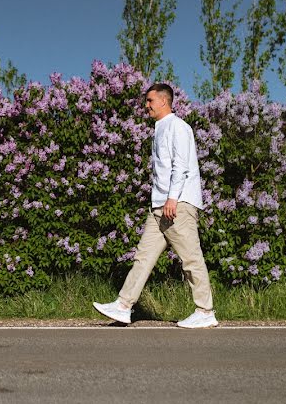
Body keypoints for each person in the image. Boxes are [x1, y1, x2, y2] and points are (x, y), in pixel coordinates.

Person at [93, 83, 217, 328]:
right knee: (144, 256)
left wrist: (172, 198)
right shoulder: (159, 129)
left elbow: (181, 166)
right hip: (159, 206)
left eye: (150, 101)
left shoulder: (178, 127)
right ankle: (123, 306)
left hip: (177, 204)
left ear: (163, 101)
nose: (146, 105)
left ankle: (205, 311)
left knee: (190, 258)